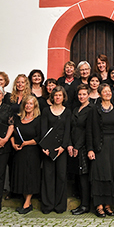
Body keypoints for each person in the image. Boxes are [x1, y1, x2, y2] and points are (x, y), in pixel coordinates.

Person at [87, 83, 114, 217]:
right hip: (99, 147)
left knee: (111, 175)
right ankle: (99, 206)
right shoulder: (94, 110)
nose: (107, 93)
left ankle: (108, 205)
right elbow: (89, 131)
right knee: (99, 175)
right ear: (100, 94)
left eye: (109, 91)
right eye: (105, 91)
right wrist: (90, 149)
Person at [40, 86, 71, 214]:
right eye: (56, 95)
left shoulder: (67, 111)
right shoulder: (46, 111)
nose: (58, 97)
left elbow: (68, 130)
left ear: (63, 97)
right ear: (52, 97)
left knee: (61, 176)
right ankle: (47, 205)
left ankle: (59, 205)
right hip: (48, 148)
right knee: (48, 176)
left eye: (60, 95)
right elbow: (43, 129)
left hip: (61, 149)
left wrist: (63, 147)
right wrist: (44, 147)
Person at [10, 95, 42, 214]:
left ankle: (27, 203)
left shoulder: (38, 119)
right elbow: (12, 133)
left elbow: (39, 137)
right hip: (19, 152)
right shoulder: (18, 118)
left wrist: (25, 143)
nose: (28, 106)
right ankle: (25, 201)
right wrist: (13, 144)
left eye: (31, 104)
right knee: (22, 176)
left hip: (32, 152)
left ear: (35, 106)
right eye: (26, 103)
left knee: (30, 177)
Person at [68, 84, 95, 215]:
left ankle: (85, 205)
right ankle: (82, 202)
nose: (82, 96)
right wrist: (70, 144)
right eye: (80, 94)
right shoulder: (75, 109)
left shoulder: (92, 109)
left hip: (84, 147)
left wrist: (78, 146)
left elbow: (88, 130)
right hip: (73, 146)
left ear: (89, 95)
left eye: (84, 94)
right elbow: (72, 128)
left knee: (84, 176)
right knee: (78, 176)